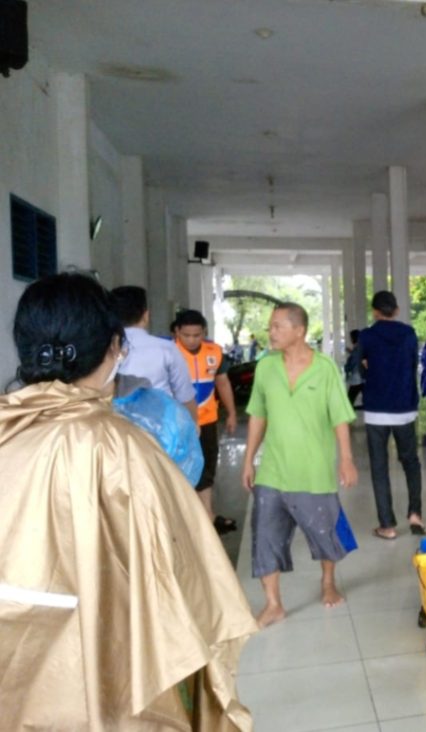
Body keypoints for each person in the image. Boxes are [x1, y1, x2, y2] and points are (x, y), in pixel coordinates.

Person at [0, 273, 256, 729]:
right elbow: (182, 576)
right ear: (114, 348)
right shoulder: (121, 447)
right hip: (106, 682)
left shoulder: (8, 430)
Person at [242, 303, 359, 627]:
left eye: (277, 326)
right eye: (270, 326)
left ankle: (328, 582)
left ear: (299, 331)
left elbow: (339, 417)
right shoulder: (266, 368)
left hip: (313, 470)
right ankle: (273, 603)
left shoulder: (324, 368)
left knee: (324, 532)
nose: (271, 332)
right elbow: (257, 415)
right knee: (265, 535)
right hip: (273, 470)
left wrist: (346, 459)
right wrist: (249, 460)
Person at [359, 291, 425, 539]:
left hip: (376, 410)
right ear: (396, 310)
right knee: (411, 463)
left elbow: (357, 366)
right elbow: (412, 365)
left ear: (375, 311)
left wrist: (368, 369)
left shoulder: (367, 336)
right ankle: (415, 514)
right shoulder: (408, 334)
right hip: (404, 408)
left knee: (379, 467)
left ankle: (387, 525)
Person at [175, 308, 239, 533]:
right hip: (178, 422)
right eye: (186, 335)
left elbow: (222, 383)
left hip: (207, 420)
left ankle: (208, 516)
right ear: (177, 332)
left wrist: (231, 413)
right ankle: (185, 518)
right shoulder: (169, 352)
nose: (192, 340)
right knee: (180, 468)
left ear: (204, 332)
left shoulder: (215, 352)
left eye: (197, 335)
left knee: (207, 466)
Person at [109, 285, 198, 422]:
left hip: (115, 427)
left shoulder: (102, 350)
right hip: (160, 427)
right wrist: (193, 426)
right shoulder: (166, 349)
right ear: (145, 316)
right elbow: (185, 397)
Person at [344, 328, 364, 408]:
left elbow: (353, 363)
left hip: (357, 378)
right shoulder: (361, 348)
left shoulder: (356, 350)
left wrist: (346, 368)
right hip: (363, 377)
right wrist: (351, 352)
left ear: (353, 338)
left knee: (349, 401)